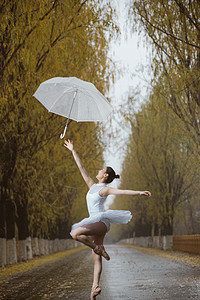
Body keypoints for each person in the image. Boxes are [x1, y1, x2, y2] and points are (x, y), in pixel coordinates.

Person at [64, 139, 151, 299]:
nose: (97, 170)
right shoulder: (92, 185)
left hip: (100, 222)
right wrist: (73, 150)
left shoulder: (104, 190)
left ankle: (98, 248)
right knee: (96, 259)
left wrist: (139, 192)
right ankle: (95, 288)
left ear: (105, 175)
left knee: (75, 234)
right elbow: (81, 168)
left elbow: (122, 192)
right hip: (95, 222)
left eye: (101, 170)